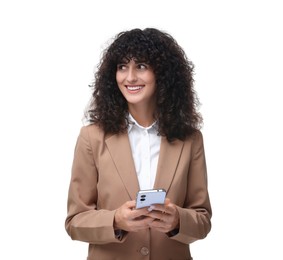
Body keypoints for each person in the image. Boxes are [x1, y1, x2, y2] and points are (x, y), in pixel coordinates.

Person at [65, 28, 212, 260]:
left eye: (141, 66)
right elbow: (75, 222)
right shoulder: (91, 137)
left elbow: (202, 220)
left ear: (162, 73)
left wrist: (177, 221)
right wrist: (115, 220)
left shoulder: (190, 139)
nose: (130, 77)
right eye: (122, 67)